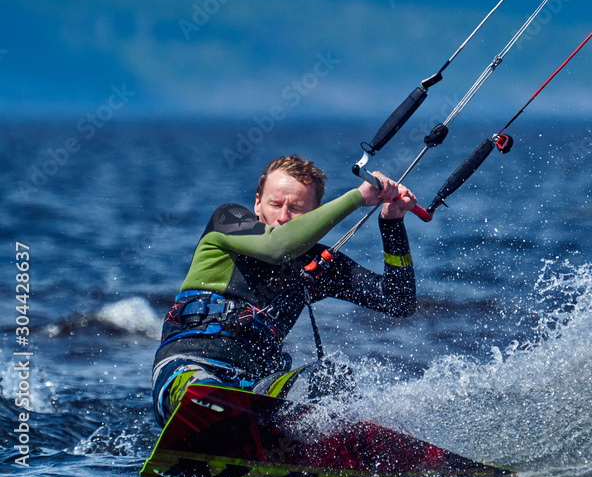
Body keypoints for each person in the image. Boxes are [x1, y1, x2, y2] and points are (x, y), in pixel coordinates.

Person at [151, 154, 417, 425]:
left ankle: (306, 451)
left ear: (316, 213)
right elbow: (277, 246)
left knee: (332, 378)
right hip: (188, 369)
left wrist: (392, 225)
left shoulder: (317, 264)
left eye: (297, 209)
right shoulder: (226, 221)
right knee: (208, 394)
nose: (282, 217)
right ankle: (213, 420)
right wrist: (358, 197)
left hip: (253, 392)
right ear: (257, 203)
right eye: (275, 204)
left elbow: (399, 301)